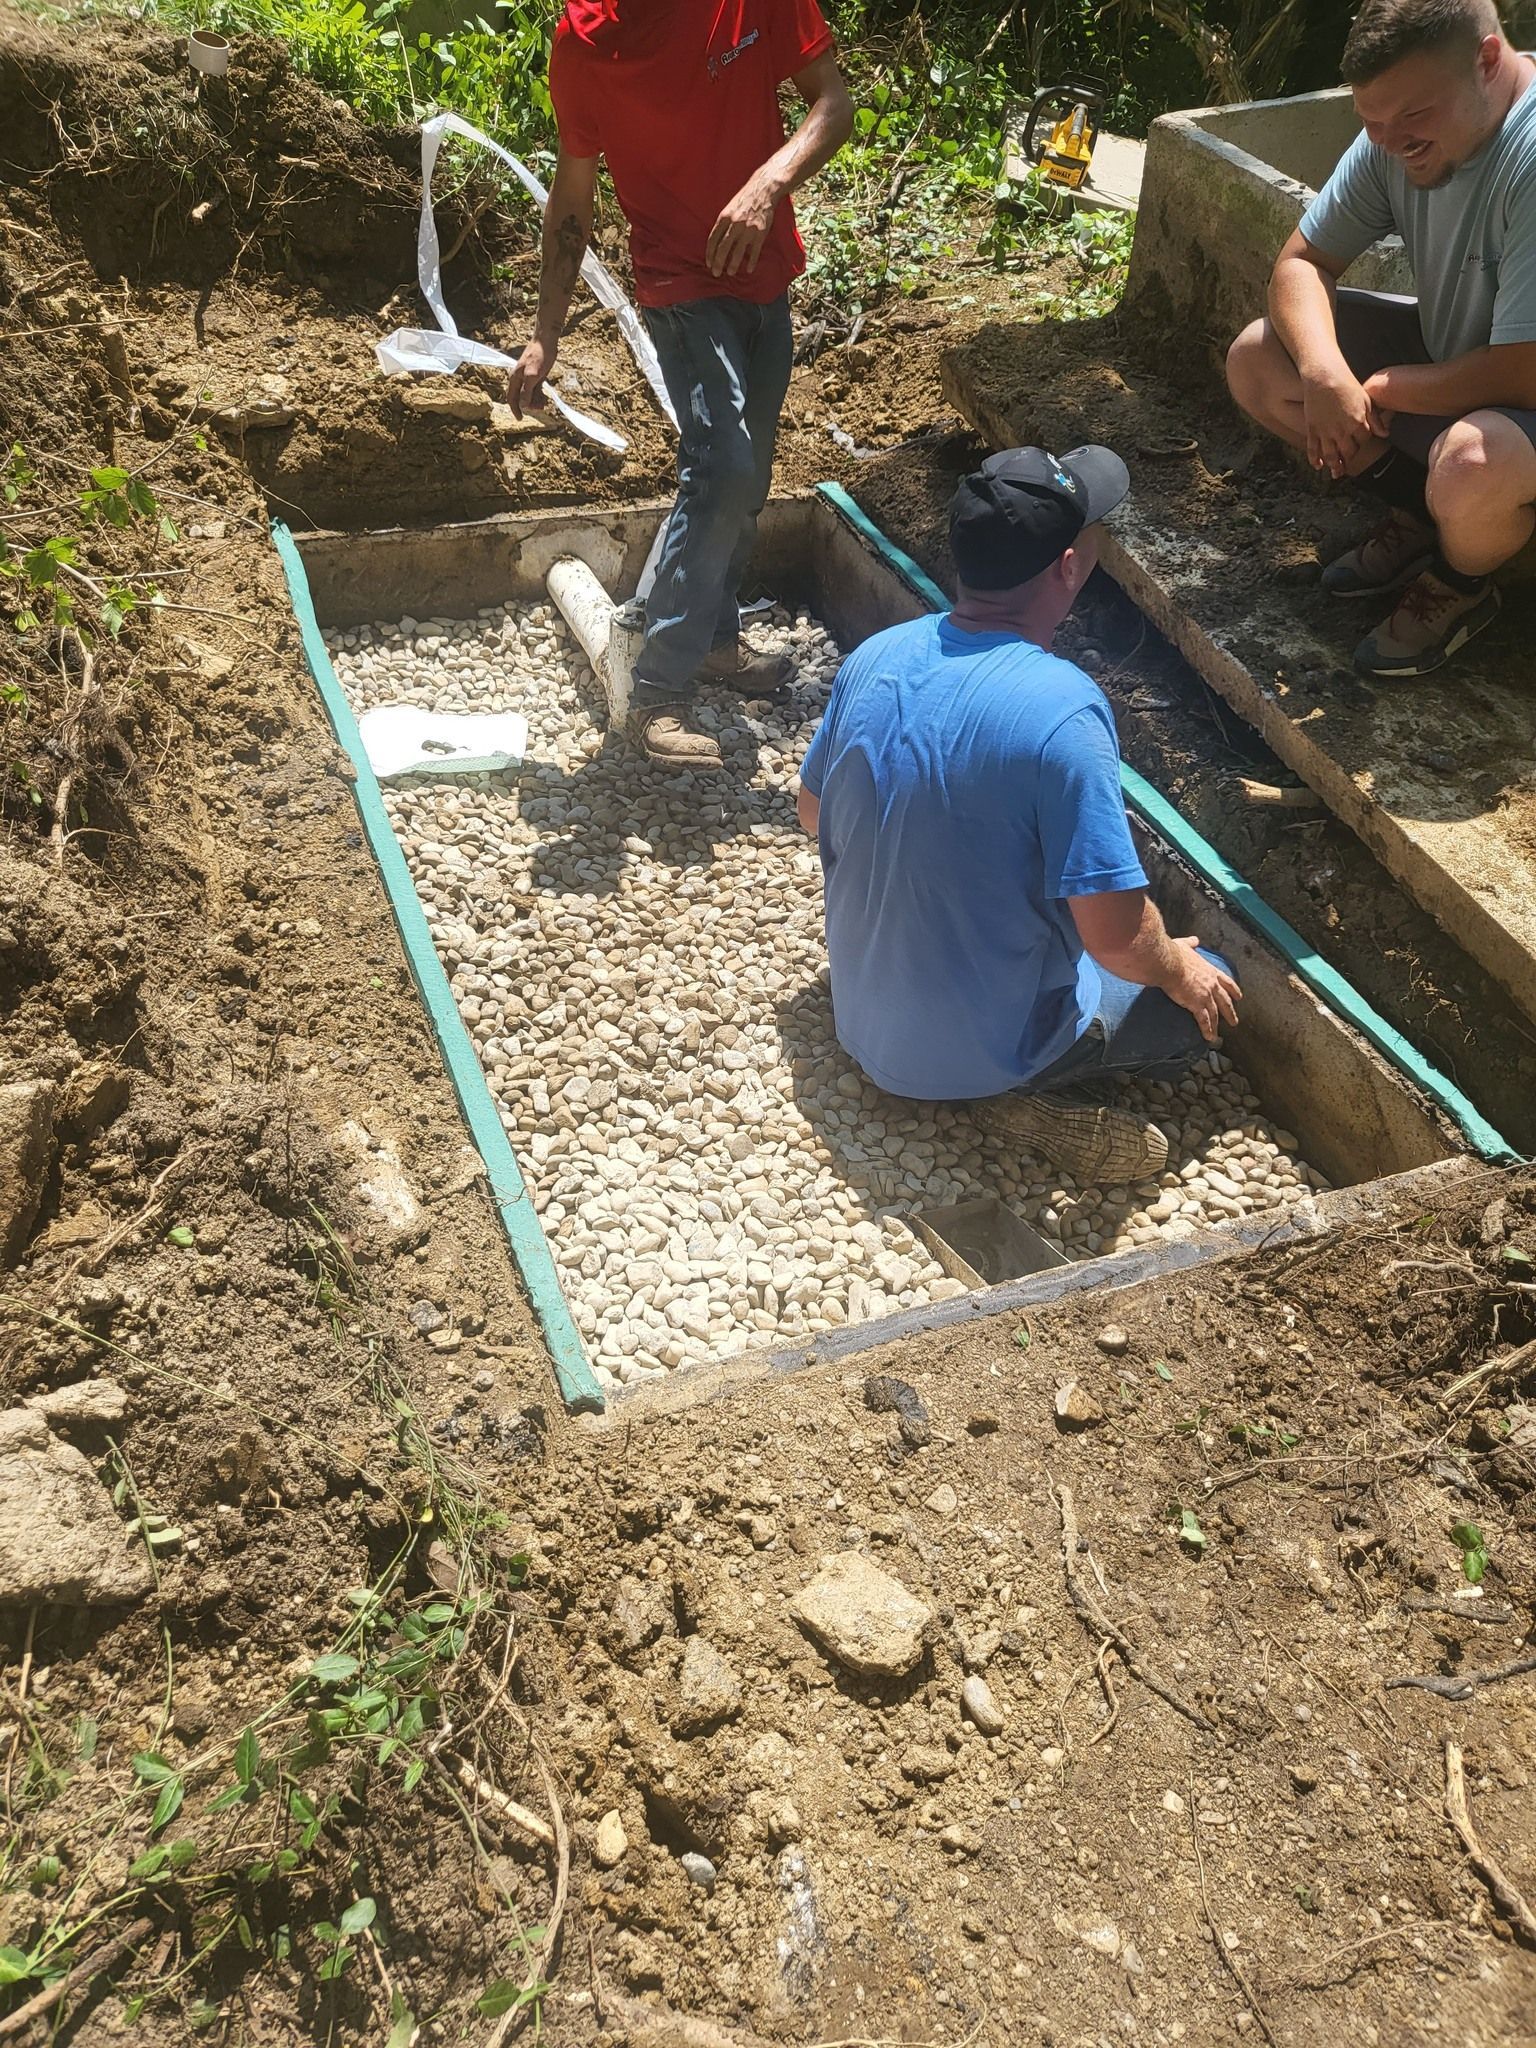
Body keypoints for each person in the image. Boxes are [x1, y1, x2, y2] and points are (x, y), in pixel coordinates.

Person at [796, 447, 1243, 1185]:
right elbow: (1117, 938)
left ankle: (964, 1073)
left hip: (860, 1023)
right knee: (1213, 983)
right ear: (1068, 567)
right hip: (972, 1055)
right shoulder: (1062, 710)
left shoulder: (876, 655)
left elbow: (815, 815)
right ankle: (1001, 1093)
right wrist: (1175, 964)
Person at [509, 0, 853, 769]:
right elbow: (573, 194)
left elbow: (834, 104)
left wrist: (771, 181)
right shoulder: (585, 41)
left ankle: (715, 641)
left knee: (749, 477)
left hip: (766, 275)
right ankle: (659, 689)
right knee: (723, 468)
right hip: (677, 283)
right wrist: (546, 331)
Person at [1227, 0, 1536, 679]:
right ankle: (1421, 518)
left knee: (1473, 465)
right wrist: (1322, 372)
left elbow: (1525, 371)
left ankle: (1461, 582)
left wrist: (1384, 388)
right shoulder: (1394, 132)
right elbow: (1302, 263)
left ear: (1487, 62)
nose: (1391, 142)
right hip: (1456, 355)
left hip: (1522, 397)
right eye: (1372, 121)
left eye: (1413, 119)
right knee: (1259, 359)